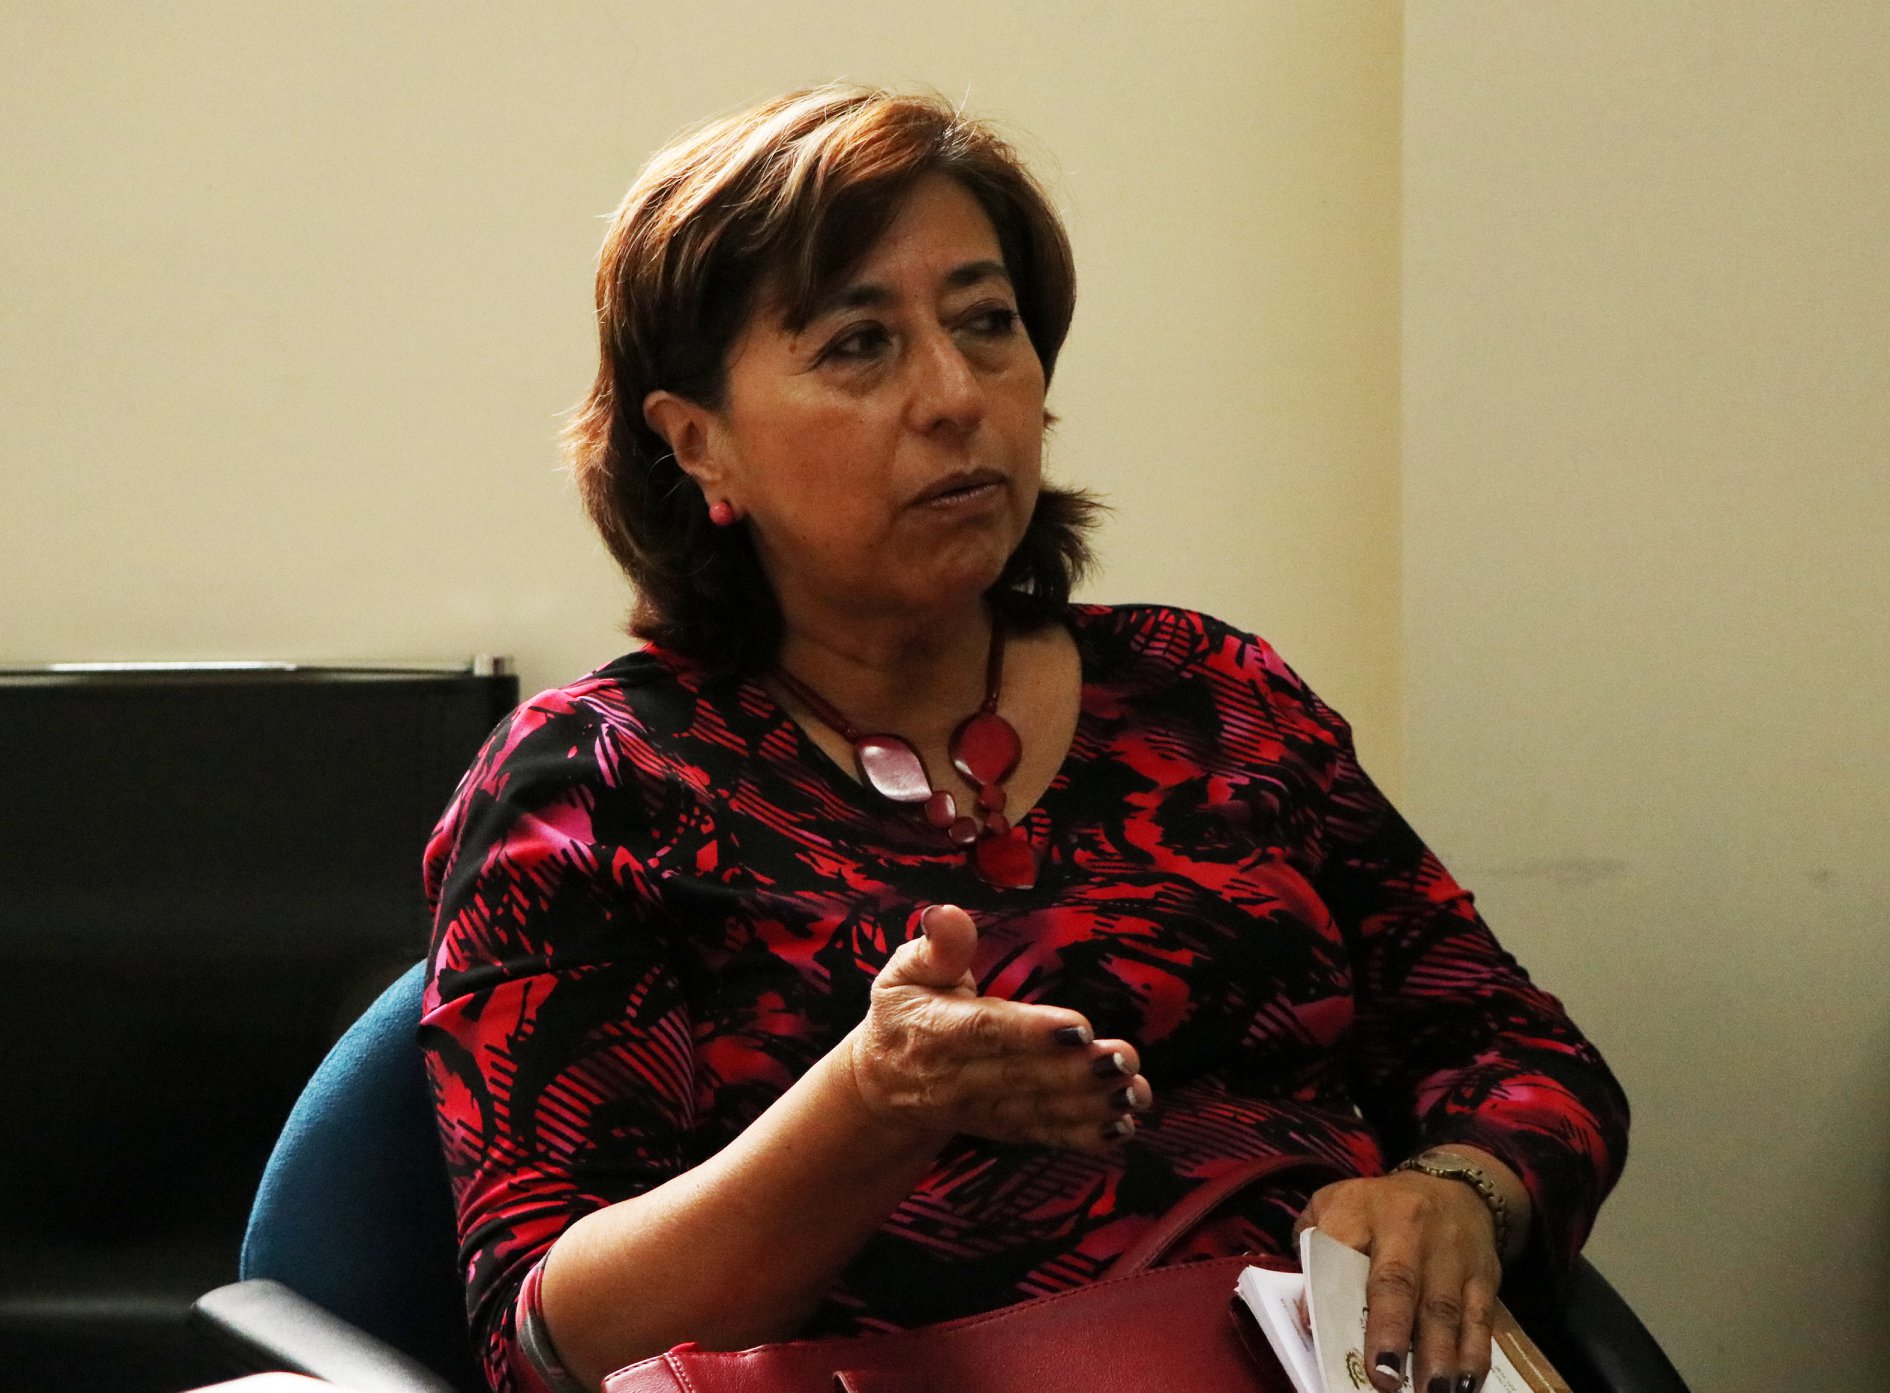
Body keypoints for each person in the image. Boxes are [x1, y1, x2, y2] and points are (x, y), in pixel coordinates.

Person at [420, 86, 1629, 1393]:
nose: (956, 394)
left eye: (987, 323)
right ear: (699, 443)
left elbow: (1518, 1052)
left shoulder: (1212, 691)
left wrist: (1458, 1190)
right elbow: (550, 1343)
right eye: (859, 345)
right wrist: (872, 1103)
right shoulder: (594, 787)